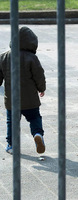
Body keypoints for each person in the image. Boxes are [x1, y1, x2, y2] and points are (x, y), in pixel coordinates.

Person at [0, 26, 46, 154]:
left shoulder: (3, 57)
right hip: (30, 98)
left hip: (11, 100)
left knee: (12, 122)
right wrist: (41, 88)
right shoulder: (31, 58)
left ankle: (11, 144)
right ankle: (38, 134)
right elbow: (39, 75)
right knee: (34, 117)